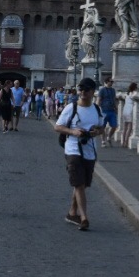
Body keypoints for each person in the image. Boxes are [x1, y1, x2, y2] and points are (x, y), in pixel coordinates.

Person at [54, 77, 105, 231]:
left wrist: (96, 132)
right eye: (80, 89)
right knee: (79, 184)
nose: (82, 92)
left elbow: (102, 128)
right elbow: (58, 127)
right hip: (73, 149)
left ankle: (72, 212)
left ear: (93, 92)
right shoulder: (71, 108)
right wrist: (73, 132)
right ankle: (84, 218)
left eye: (86, 90)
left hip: (90, 150)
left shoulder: (97, 110)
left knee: (81, 184)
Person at [97, 74, 119, 148]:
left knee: (114, 126)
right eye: (111, 81)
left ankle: (109, 137)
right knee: (102, 126)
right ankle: (103, 140)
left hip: (111, 110)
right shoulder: (102, 90)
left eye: (112, 82)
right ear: (107, 82)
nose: (112, 83)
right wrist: (97, 109)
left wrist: (116, 108)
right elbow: (99, 99)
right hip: (104, 110)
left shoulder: (113, 90)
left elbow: (114, 99)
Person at [119, 82, 138, 150]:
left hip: (125, 109)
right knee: (129, 127)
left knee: (124, 127)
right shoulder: (134, 93)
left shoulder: (127, 94)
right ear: (135, 88)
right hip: (130, 110)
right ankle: (126, 142)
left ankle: (122, 141)